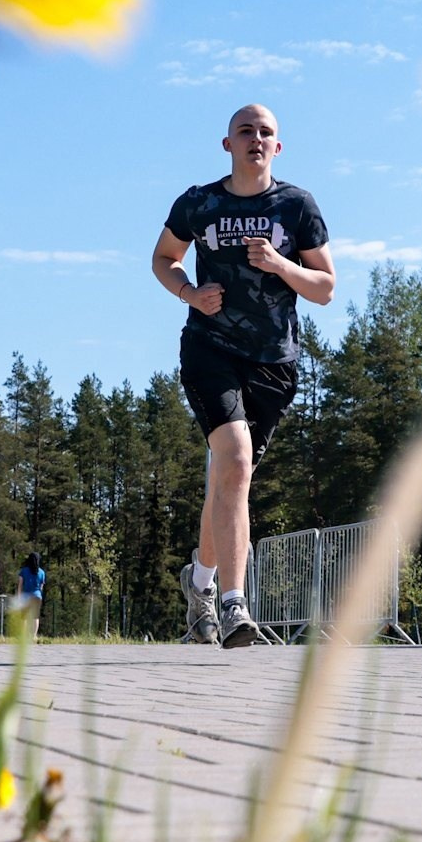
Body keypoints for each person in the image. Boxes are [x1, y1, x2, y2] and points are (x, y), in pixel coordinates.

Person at [152, 102, 335, 647]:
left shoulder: (297, 206)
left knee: (230, 479)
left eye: (266, 133)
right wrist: (188, 293)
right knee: (232, 459)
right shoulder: (199, 203)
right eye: (245, 131)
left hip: (274, 361)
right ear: (227, 144)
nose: (256, 138)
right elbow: (164, 257)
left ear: (278, 147)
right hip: (210, 347)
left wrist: (280, 264)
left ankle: (200, 580)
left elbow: (325, 288)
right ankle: (235, 606)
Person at [17, 552, 46, 638]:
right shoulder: (42, 572)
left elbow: (20, 584)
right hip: (37, 596)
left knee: (24, 617)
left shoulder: (24, 571)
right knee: (35, 617)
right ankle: (34, 635)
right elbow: (41, 586)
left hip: (26, 596)